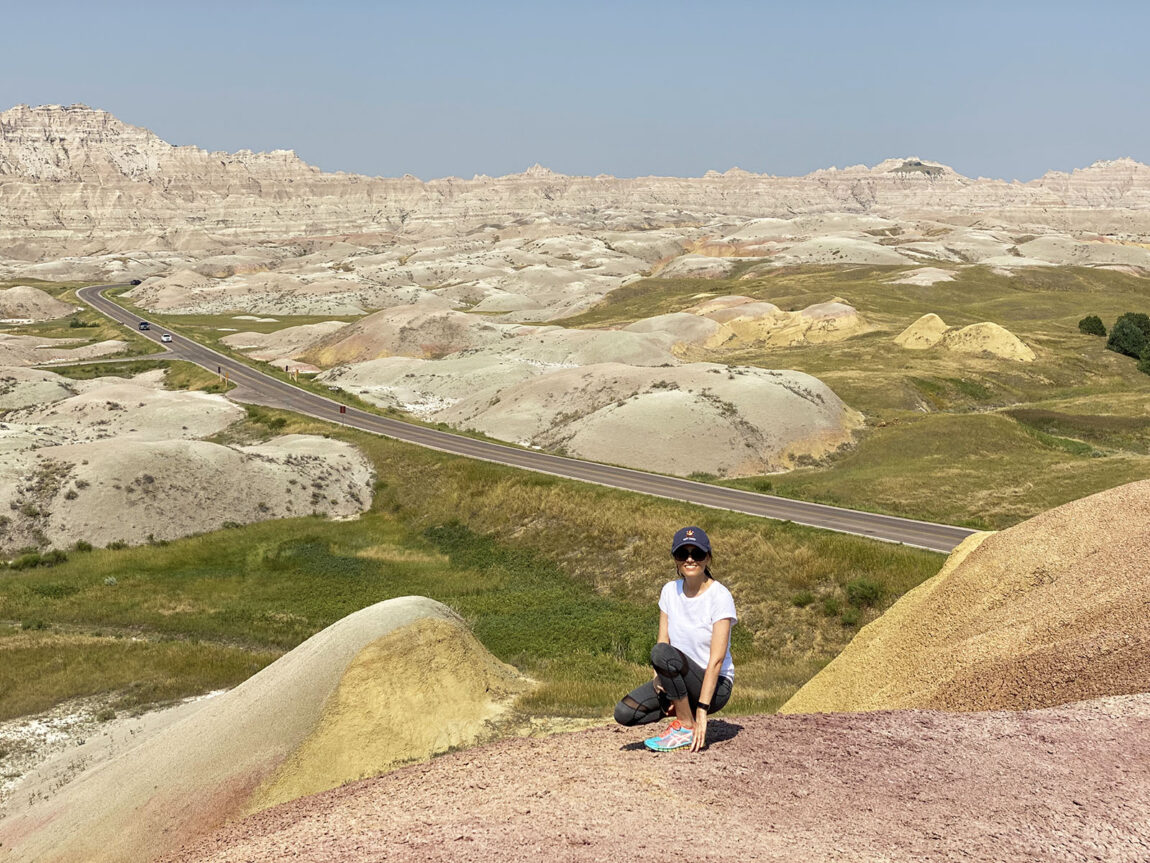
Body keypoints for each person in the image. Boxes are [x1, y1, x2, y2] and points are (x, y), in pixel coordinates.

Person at [613, 526, 736, 752]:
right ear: (676, 559)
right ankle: (681, 711)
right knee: (624, 712)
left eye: (697, 554)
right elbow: (664, 640)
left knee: (661, 653)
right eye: (683, 554)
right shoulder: (670, 591)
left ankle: (686, 726)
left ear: (708, 557)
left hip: (715, 686)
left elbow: (716, 661)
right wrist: (659, 680)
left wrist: (702, 710)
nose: (690, 560)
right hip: (677, 678)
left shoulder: (720, 596)